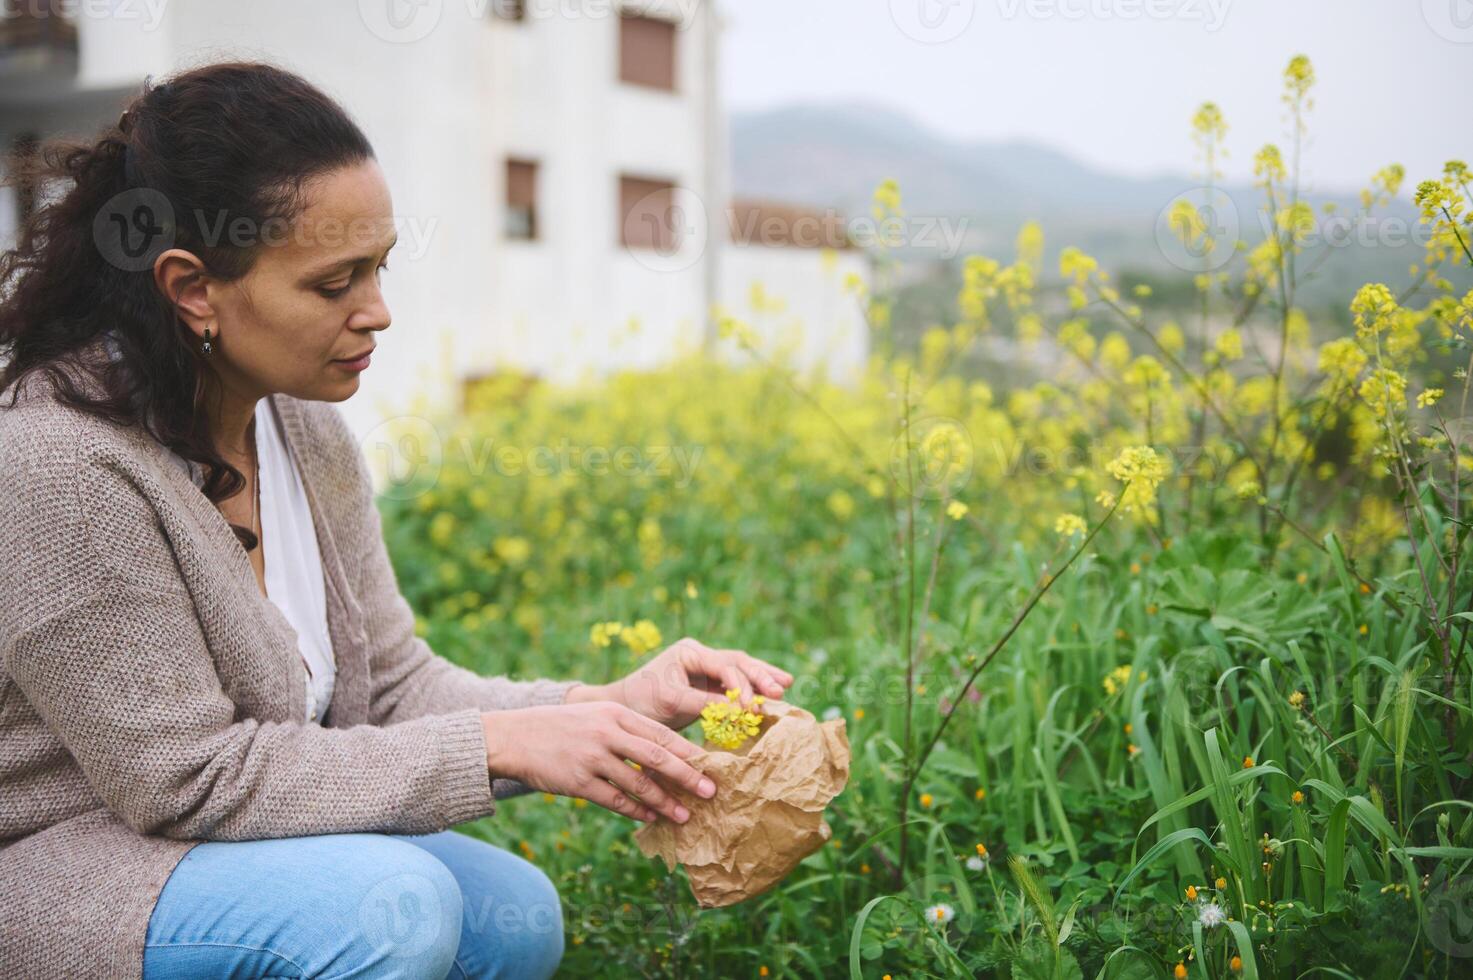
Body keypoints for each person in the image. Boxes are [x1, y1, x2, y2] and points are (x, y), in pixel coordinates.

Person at [0, 61, 794, 979]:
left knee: (516, 917)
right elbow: (183, 779)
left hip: (207, 846)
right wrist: (505, 746)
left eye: (378, 269)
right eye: (334, 284)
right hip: (60, 865)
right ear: (192, 288)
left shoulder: (303, 426)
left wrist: (602, 708)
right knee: (391, 913)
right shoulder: (57, 465)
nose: (377, 314)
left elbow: (390, 689)